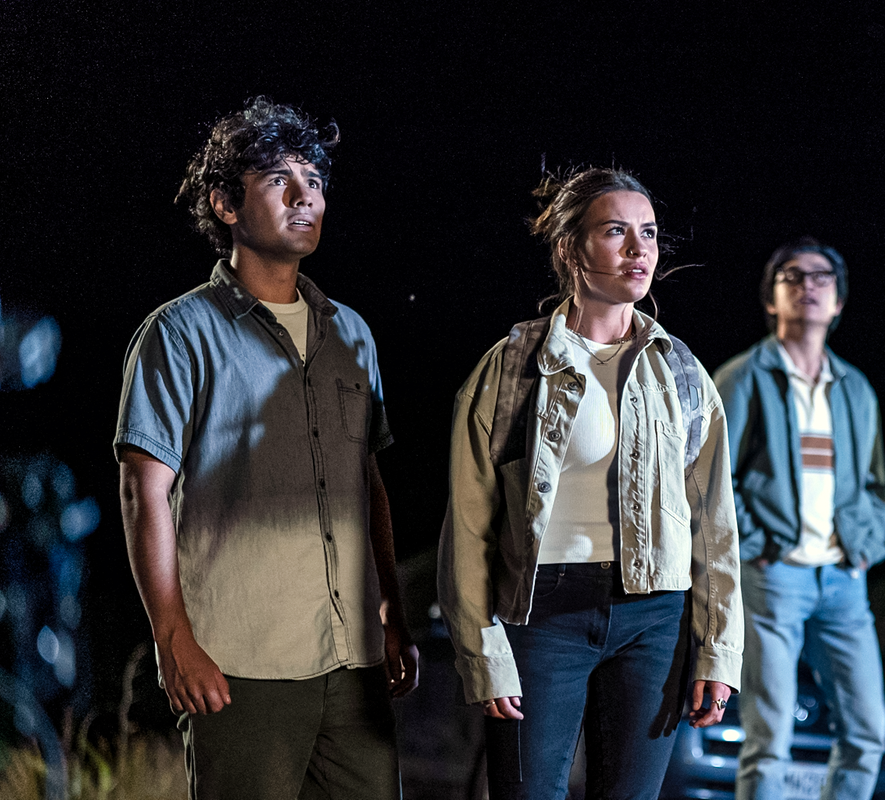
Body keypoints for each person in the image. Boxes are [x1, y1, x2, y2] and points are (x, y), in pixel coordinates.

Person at [115, 97, 418, 800]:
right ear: (225, 203)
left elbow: (365, 482)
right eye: (280, 179)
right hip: (240, 666)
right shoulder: (179, 334)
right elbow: (143, 491)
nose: (304, 195)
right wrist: (173, 640)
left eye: (314, 181)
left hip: (354, 666)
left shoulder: (353, 336)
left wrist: (393, 616)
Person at [437, 166, 743, 800]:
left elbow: (715, 524)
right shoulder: (515, 365)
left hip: (654, 618)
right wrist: (484, 652)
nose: (639, 250)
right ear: (570, 247)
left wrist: (718, 650)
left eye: (649, 233)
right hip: (542, 615)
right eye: (615, 232)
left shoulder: (681, 372)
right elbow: (468, 524)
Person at [714, 237, 885, 800]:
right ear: (772, 299)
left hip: (843, 578)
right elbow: (711, 479)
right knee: (769, 737)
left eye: (822, 278)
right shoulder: (743, 377)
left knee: (868, 730)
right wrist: (757, 542)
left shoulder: (855, 387)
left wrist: (865, 545)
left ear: (838, 302)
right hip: (774, 575)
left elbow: (875, 484)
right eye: (793, 276)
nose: (809, 286)